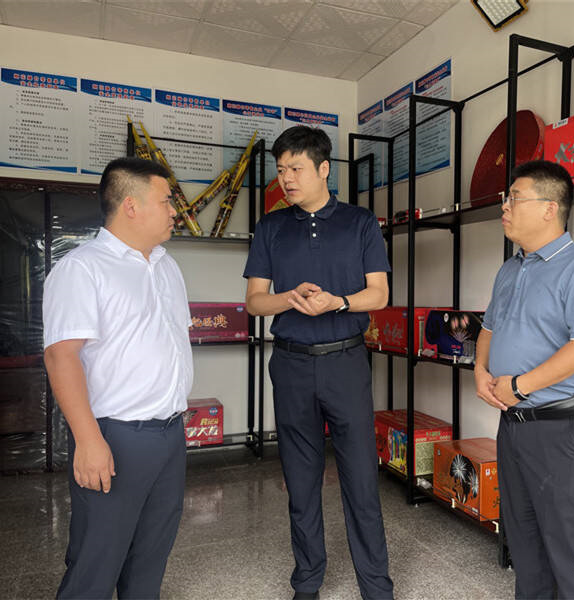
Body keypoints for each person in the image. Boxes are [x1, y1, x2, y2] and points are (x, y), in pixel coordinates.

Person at [243, 125, 393, 600]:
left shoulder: (360, 223)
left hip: (345, 361)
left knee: (361, 479)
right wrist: (289, 297)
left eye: (296, 168)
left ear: (324, 168)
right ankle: (307, 582)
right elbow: (254, 301)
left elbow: (379, 294)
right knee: (300, 479)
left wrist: (338, 303)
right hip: (290, 364)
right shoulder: (271, 227)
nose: (286, 178)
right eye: (281, 169)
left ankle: (376, 586)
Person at [43, 157, 193, 599]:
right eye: (166, 201)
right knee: (96, 562)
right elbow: (61, 356)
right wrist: (88, 440)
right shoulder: (83, 268)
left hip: (170, 435)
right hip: (115, 437)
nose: (175, 211)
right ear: (131, 205)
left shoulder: (166, 266)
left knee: (150, 558)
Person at [474, 160, 574, 599]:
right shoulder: (510, 269)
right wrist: (480, 371)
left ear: (549, 208)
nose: (505, 206)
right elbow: (489, 329)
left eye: (514, 198)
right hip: (513, 426)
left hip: (561, 427)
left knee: (573, 552)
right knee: (525, 544)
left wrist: (520, 386)